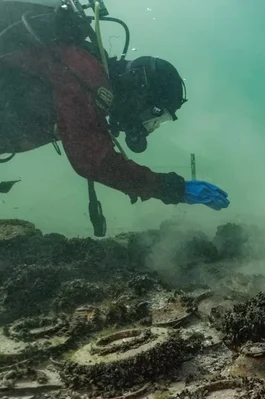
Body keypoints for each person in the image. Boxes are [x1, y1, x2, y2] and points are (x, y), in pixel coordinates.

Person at [0, 0, 228, 236]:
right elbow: (93, 160)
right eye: (154, 116)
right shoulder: (88, 75)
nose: (148, 127)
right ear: (140, 91)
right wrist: (173, 189)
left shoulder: (88, 71)